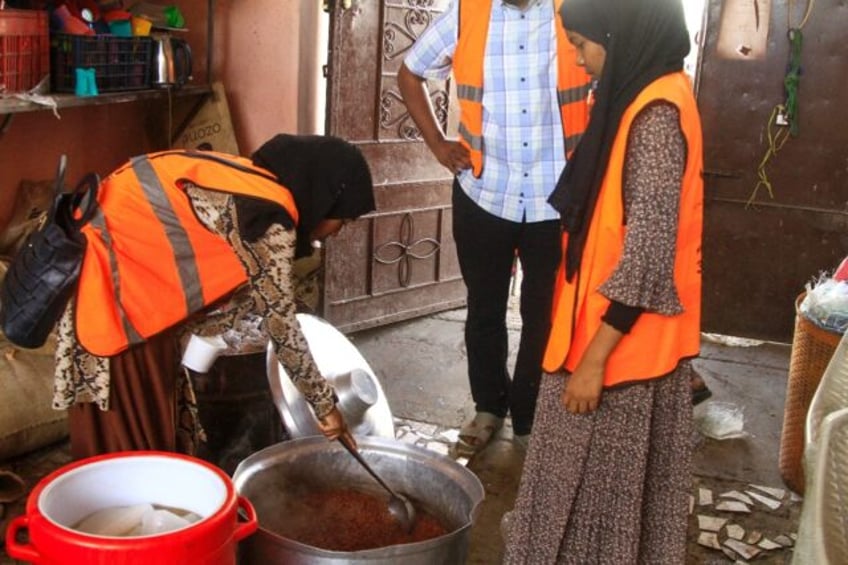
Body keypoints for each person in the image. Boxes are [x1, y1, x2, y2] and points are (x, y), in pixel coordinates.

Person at [502, 0, 703, 562]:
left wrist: (593, 363)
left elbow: (647, 253)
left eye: (584, 45)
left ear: (621, 36)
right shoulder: (637, 98)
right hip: (599, 340)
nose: (578, 58)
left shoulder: (656, 116)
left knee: (592, 502)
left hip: (618, 359)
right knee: (584, 497)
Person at [53, 135, 374, 459]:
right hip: (114, 296)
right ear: (325, 195)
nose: (337, 231)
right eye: (343, 219)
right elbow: (282, 325)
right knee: (133, 441)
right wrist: (325, 407)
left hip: (123, 279)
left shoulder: (247, 180)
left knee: (142, 425)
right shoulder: (267, 217)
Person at [397, 0, 591, 453]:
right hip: (484, 192)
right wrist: (437, 145)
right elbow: (410, 73)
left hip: (557, 198)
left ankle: (528, 417)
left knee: (542, 315)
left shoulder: (575, 13)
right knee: (484, 309)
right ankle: (489, 407)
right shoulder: (468, 14)